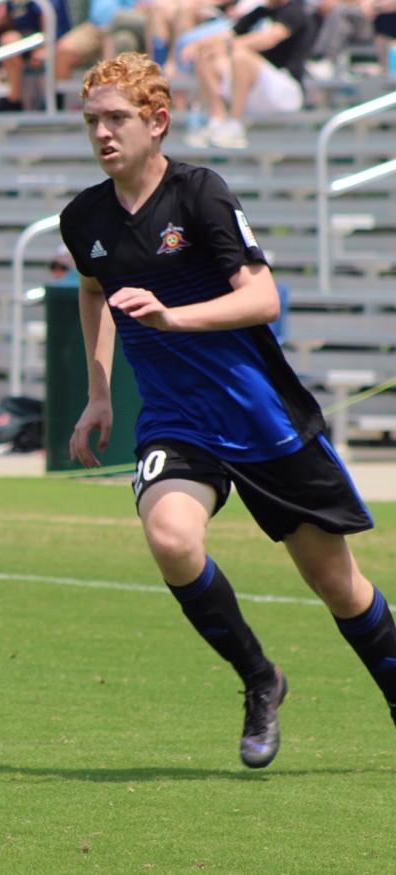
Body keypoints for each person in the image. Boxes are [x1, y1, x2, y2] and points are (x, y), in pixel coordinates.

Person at [60, 53, 396, 770]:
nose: (103, 134)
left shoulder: (199, 194)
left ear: (158, 121)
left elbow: (263, 297)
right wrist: (98, 390)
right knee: (173, 539)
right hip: (178, 423)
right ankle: (261, 678)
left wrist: (174, 318)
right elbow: (94, 291)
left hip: (261, 419)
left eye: (118, 119)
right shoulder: (83, 217)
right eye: (92, 121)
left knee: (337, 584)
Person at [184, 0, 311, 149]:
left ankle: (235, 126)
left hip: (286, 89)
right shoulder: (259, 12)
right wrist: (198, 45)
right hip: (254, 89)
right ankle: (217, 122)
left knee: (240, 57)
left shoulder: (294, 9)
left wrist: (225, 47)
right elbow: (228, 34)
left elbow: (271, 38)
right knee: (206, 56)